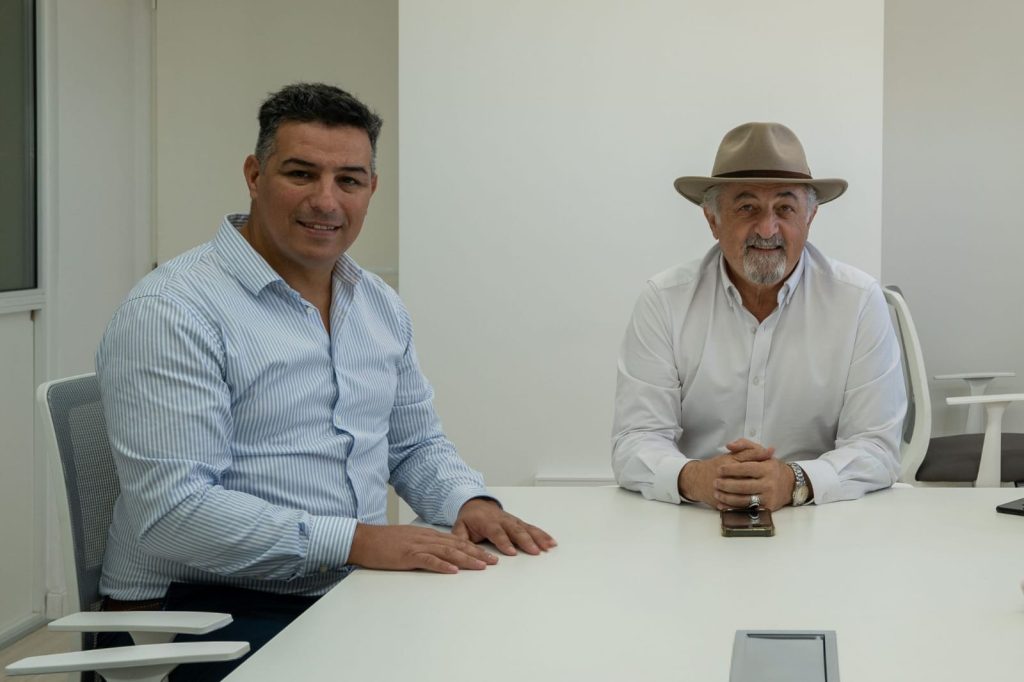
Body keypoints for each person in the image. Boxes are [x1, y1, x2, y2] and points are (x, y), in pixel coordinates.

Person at [95, 82, 555, 680]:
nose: (326, 201)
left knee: (513, 647)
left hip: (342, 588)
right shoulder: (173, 311)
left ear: (371, 190)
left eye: (349, 181)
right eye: (301, 174)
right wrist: (358, 542)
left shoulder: (376, 303)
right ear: (254, 175)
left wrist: (468, 501)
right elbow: (176, 513)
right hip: (200, 612)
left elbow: (413, 444)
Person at [611, 122, 906, 512]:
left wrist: (794, 481)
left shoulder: (859, 301)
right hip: (694, 519)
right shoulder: (664, 301)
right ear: (713, 220)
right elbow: (634, 440)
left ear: (809, 218)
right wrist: (697, 478)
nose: (767, 229)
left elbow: (877, 447)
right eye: (747, 207)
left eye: (785, 208)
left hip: (823, 517)